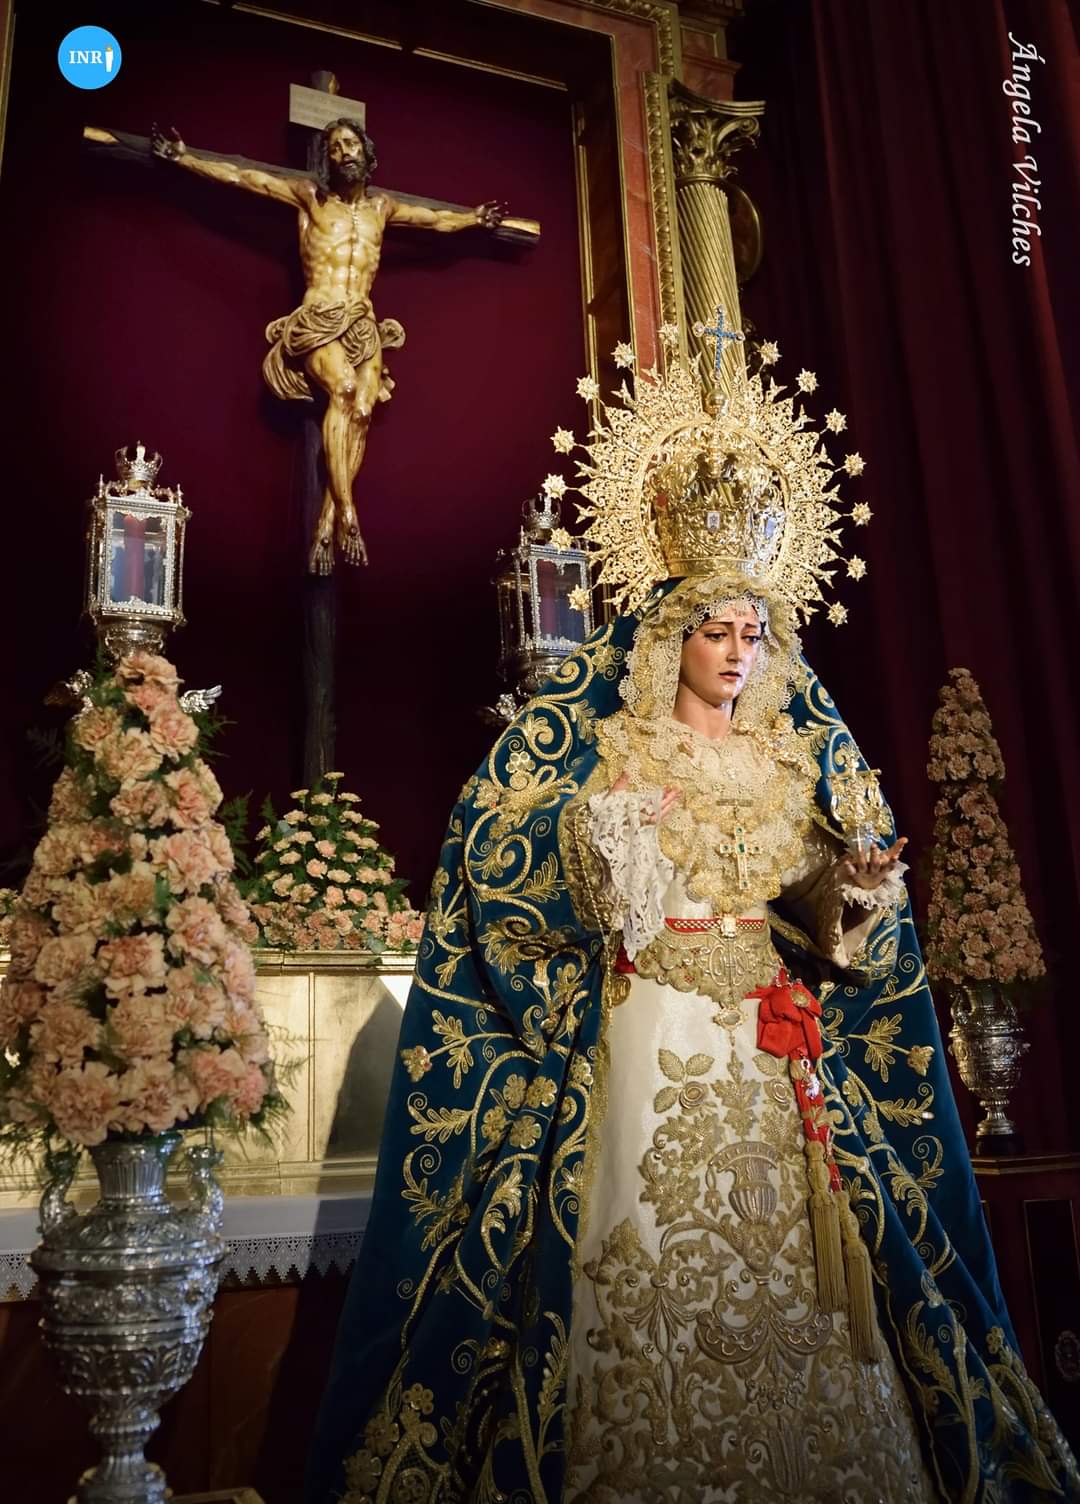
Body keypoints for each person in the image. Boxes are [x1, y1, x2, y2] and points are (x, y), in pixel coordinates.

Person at [307, 337, 1078, 1503]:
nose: (736, 654)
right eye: (716, 632)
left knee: (809, 1270)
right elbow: (543, 883)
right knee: (649, 1257)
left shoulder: (787, 763)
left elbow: (822, 927)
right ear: (672, 635)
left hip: (773, 1039)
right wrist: (614, 835)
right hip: (651, 1023)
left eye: (752, 635)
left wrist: (854, 888)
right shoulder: (614, 749)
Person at [151, 119, 504, 573]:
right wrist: (185, 158)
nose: (343, 153)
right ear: (328, 159)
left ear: (367, 154)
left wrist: (474, 219)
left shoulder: (382, 209)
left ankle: (326, 522)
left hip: (363, 322)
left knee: (363, 410)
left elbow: (435, 220)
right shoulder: (310, 198)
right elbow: (243, 178)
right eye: (335, 147)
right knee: (344, 390)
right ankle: (349, 515)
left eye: (351, 144)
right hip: (319, 318)